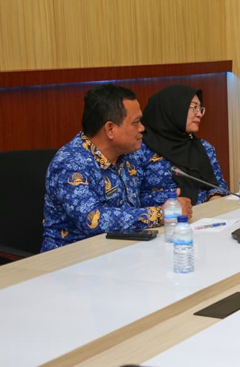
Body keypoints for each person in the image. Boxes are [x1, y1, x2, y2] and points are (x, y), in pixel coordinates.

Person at [41, 85, 189, 251]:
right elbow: (93, 219)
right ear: (110, 129)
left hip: (119, 250)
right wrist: (158, 215)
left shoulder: (128, 155)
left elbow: (136, 200)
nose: (142, 128)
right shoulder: (70, 163)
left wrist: (171, 203)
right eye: (136, 122)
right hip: (70, 260)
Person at [138, 85, 228, 206]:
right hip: (163, 220)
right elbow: (133, 199)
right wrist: (172, 198)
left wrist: (215, 198)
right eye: (194, 107)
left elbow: (218, 185)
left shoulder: (204, 147)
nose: (199, 114)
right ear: (173, 108)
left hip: (205, 217)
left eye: (200, 109)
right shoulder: (139, 149)